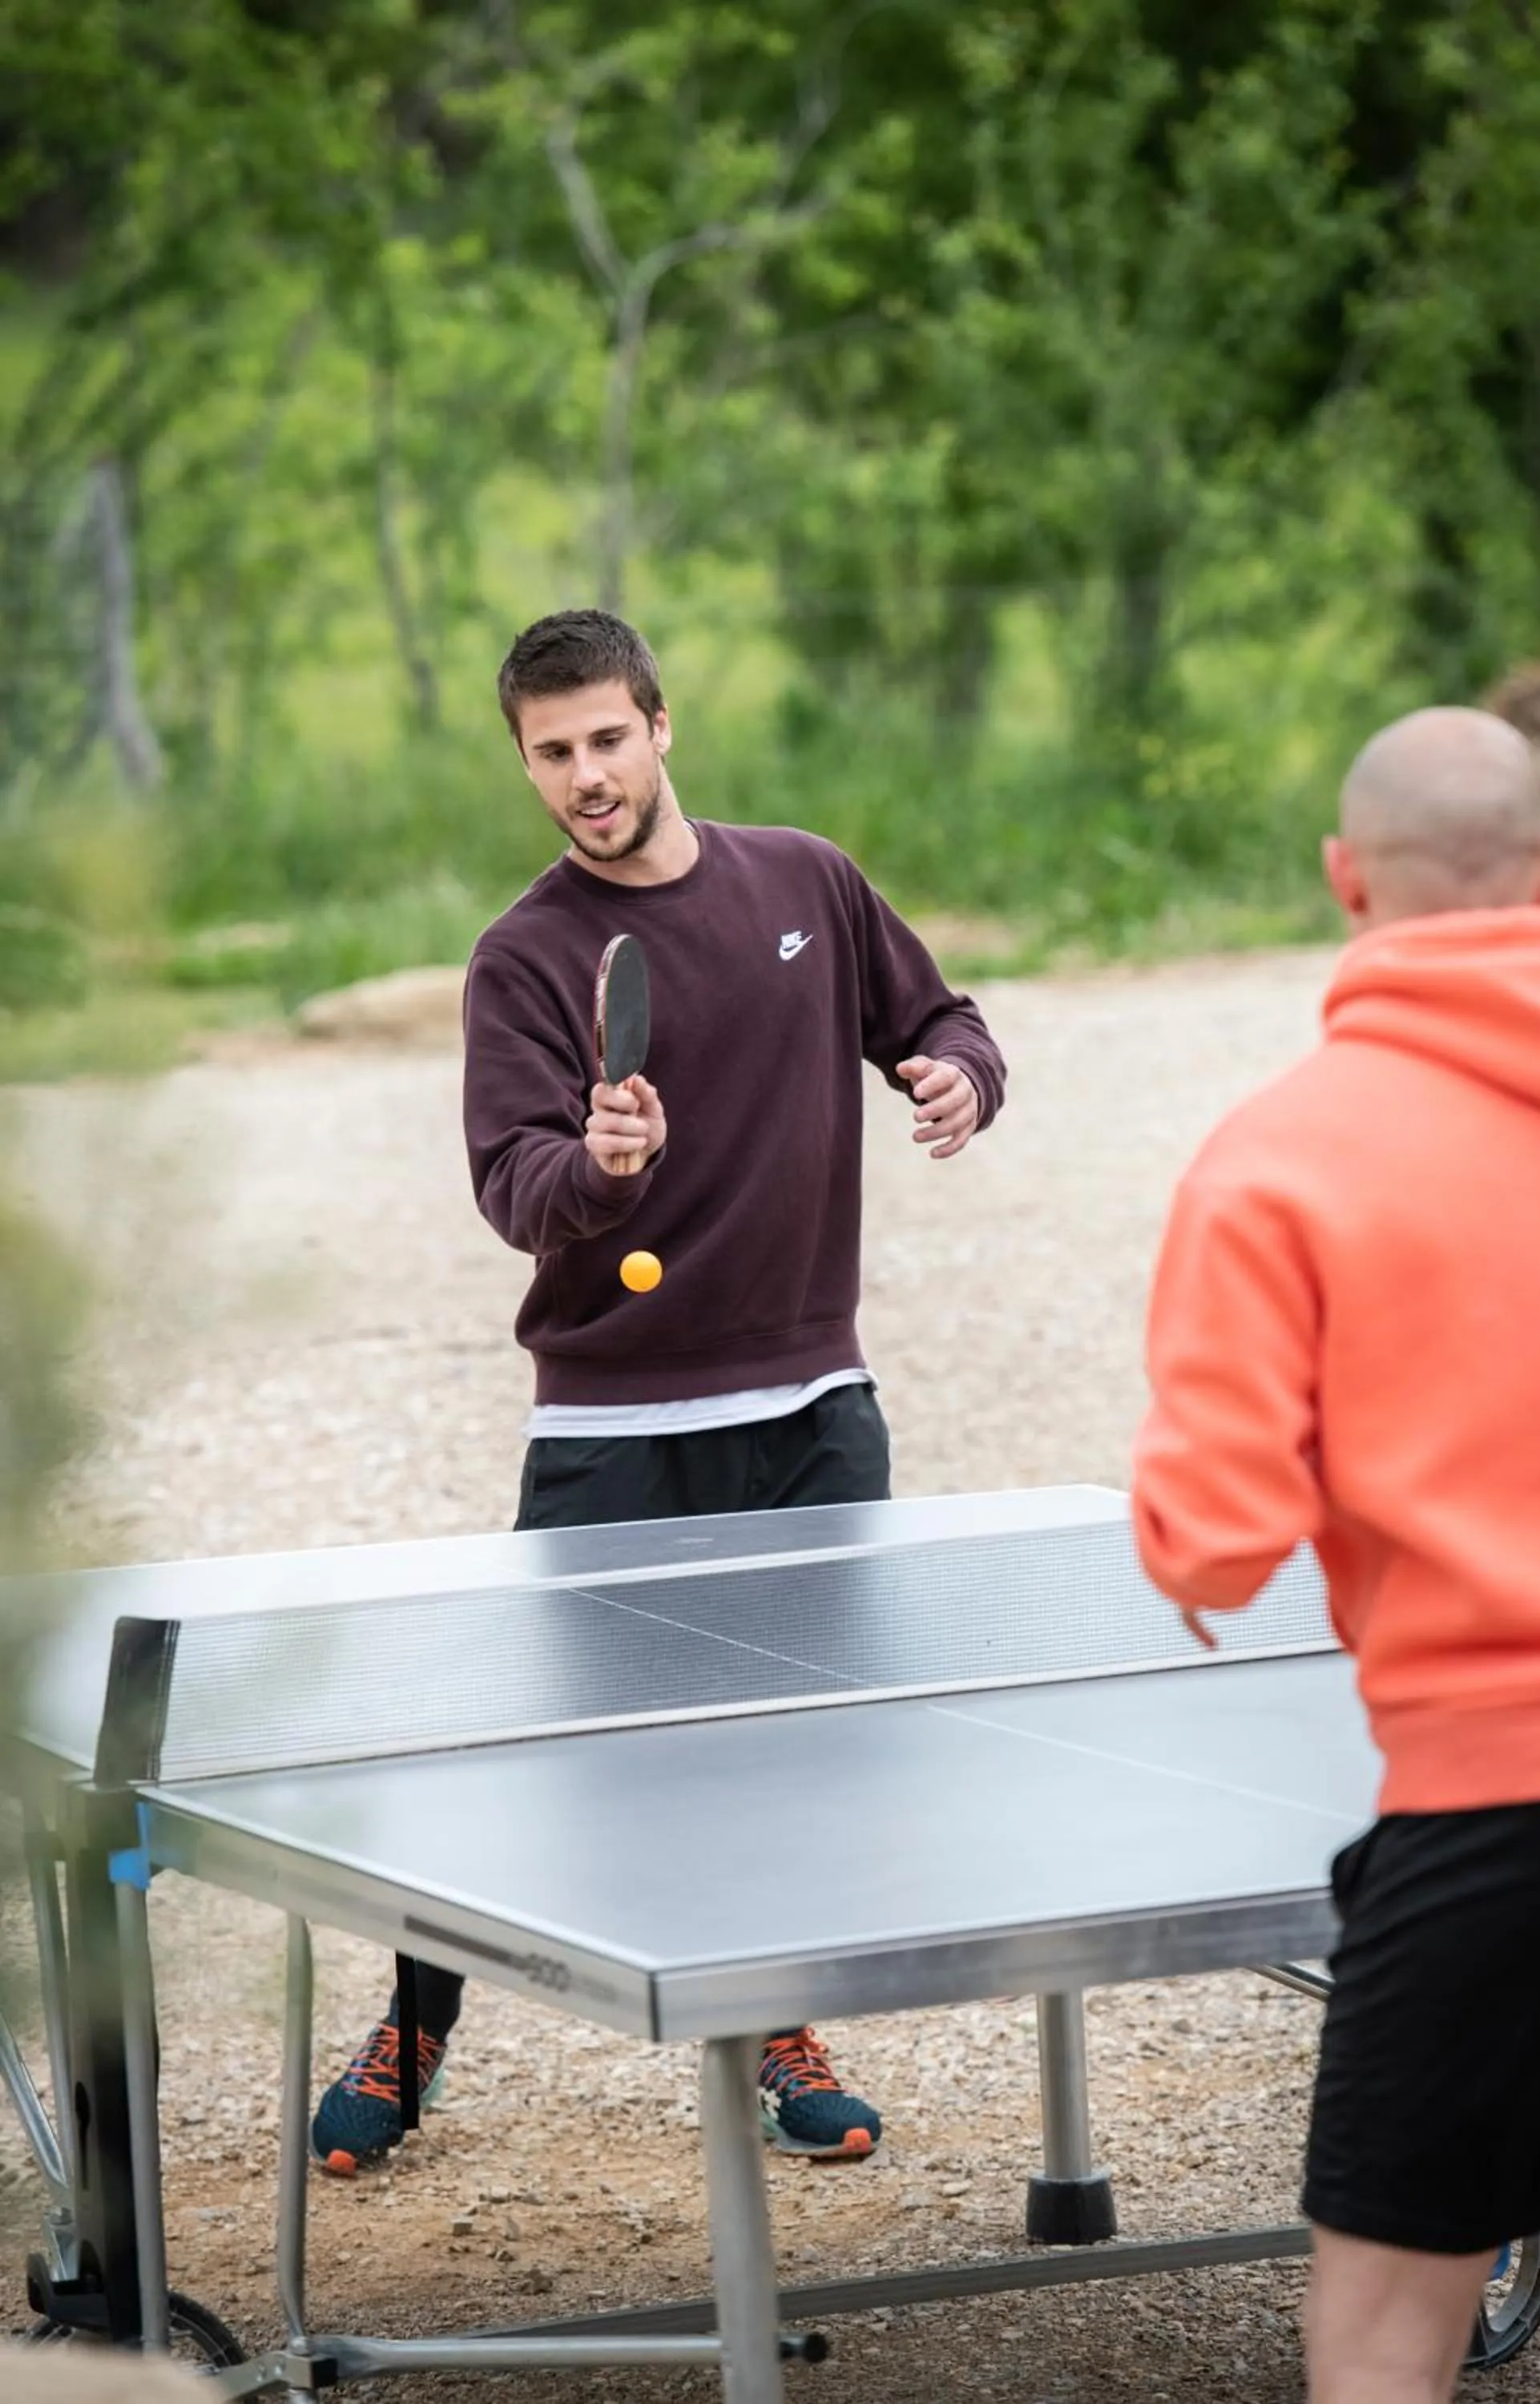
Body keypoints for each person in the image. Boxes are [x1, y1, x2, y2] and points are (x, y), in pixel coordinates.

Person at [311, 607, 1007, 2174]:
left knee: (787, 1747)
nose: (583, 776)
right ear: (525, 761)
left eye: (606, 739)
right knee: (528, 1750)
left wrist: (959, 1073)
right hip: (611, 1416)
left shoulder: (807, 883)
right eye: (550, 753)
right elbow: (512, 1182)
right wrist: (597, 1169)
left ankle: (771, 2014)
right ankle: (418, 2016)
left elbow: (935, 1017)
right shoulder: (524, 956)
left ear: (661, 725)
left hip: (812, 1399)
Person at [1130, 705, 1540, 2404]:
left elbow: (1217, 1538)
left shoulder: (1280, 1160)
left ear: (1344, 884)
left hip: (1501, 1807)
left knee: (1384, 2337)